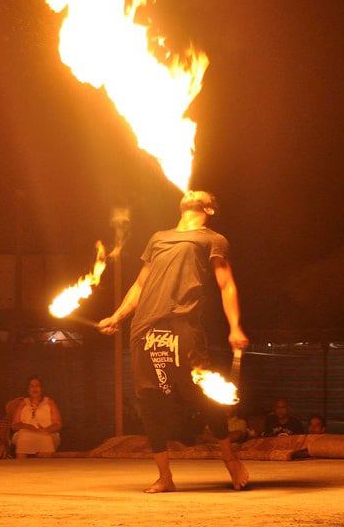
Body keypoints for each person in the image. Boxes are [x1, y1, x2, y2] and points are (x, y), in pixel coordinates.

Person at [98, 190, 250, 492]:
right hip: (144, 328)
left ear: (209, 207)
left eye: (201, 193)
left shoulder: (213, 239)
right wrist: (117, 316)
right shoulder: (158, 238)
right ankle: (164, 476)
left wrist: (235, 326)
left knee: (201, 393)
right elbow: (141, 284)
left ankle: (230, 460)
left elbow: (226, 284)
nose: (191, 190)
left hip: (183, 324)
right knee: (150, 400)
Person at [11, 376, 62, 458]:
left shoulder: (50, 402)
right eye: (32, 386)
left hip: (47, 433)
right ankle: (20, 467)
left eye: (37, 386)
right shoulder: (22, 403)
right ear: (28, 389)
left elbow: (58, 424)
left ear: (41, 389)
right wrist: (27, 426)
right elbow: (14, 425)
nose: (35, 388)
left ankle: (47, 469)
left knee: (45, 438)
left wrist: (46, 430)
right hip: (26, 433)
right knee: (23, 437)